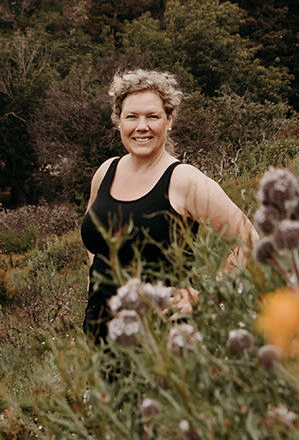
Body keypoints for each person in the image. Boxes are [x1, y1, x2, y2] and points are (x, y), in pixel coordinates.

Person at [80, 69, 258, 343]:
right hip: (103, 339)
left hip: (164, 346)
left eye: (152, 116)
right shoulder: (106, 172)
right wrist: (97, 283)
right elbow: (93, 238)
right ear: (118, 121)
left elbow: (249, 240)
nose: (142, 126)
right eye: (131, 117)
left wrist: (208, 296)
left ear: (169, 119)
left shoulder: (183, 180)